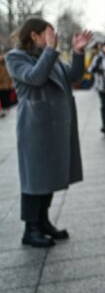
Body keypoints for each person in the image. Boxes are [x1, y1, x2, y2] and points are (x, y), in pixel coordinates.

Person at [5, 17, 93, 248]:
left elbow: (73, 76)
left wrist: (77, 52)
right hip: (34, 128)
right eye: (49, 33)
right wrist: (51, 52)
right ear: (34, 35)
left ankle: (43, 222)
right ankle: (30, 229)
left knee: (50, 176)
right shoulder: (16, 57)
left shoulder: (49, 57)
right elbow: (35, 78)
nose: (53, 38)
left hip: (55, 127)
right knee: (34, 179)